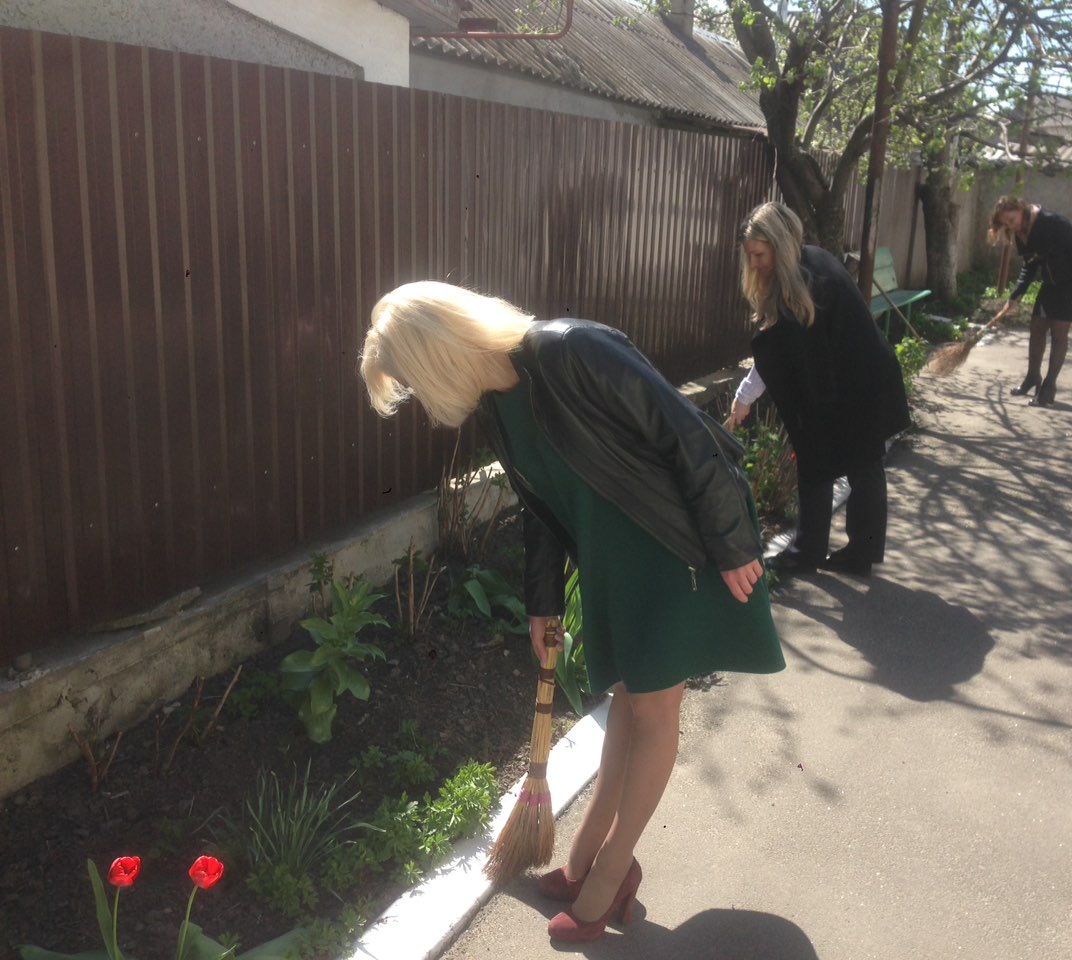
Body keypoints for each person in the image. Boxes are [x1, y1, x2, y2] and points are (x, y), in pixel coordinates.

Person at [359, 282, 784, 944]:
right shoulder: (498, 406)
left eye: (412, 380)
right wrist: (544, 603)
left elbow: (684, 434)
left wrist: (731, 541)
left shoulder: (571, 350)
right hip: (616, 562)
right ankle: (587, 860)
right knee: (628, 702)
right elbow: (543, 508)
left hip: (672, 546)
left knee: (653, 711)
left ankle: (609, 875)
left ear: (438, 356)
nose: (422, 398)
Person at [726, 201, 911, 577]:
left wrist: (745, 398)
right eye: (750, 256)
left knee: (827, 458)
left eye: (759, 255)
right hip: (861, 377)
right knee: (860, 464)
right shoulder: (812, 260)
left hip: (857, 384)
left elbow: (779, 356)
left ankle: (809, 552)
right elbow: (781, 351)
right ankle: (857, 553)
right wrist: (746, 397)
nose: (755, 264)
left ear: (779, 245)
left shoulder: (803, 286)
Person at [988, 196, 1072, 406]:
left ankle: (1048, 388)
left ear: (1020, 209)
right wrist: (1016, 295)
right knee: (1036, 327)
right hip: (1051, 284)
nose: (1011, 225)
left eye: (1012, 219)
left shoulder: (1051, 222)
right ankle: (1032, 377)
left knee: (1058, 334)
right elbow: (1030, 266)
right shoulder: (1021, 233)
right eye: (1006, 223)